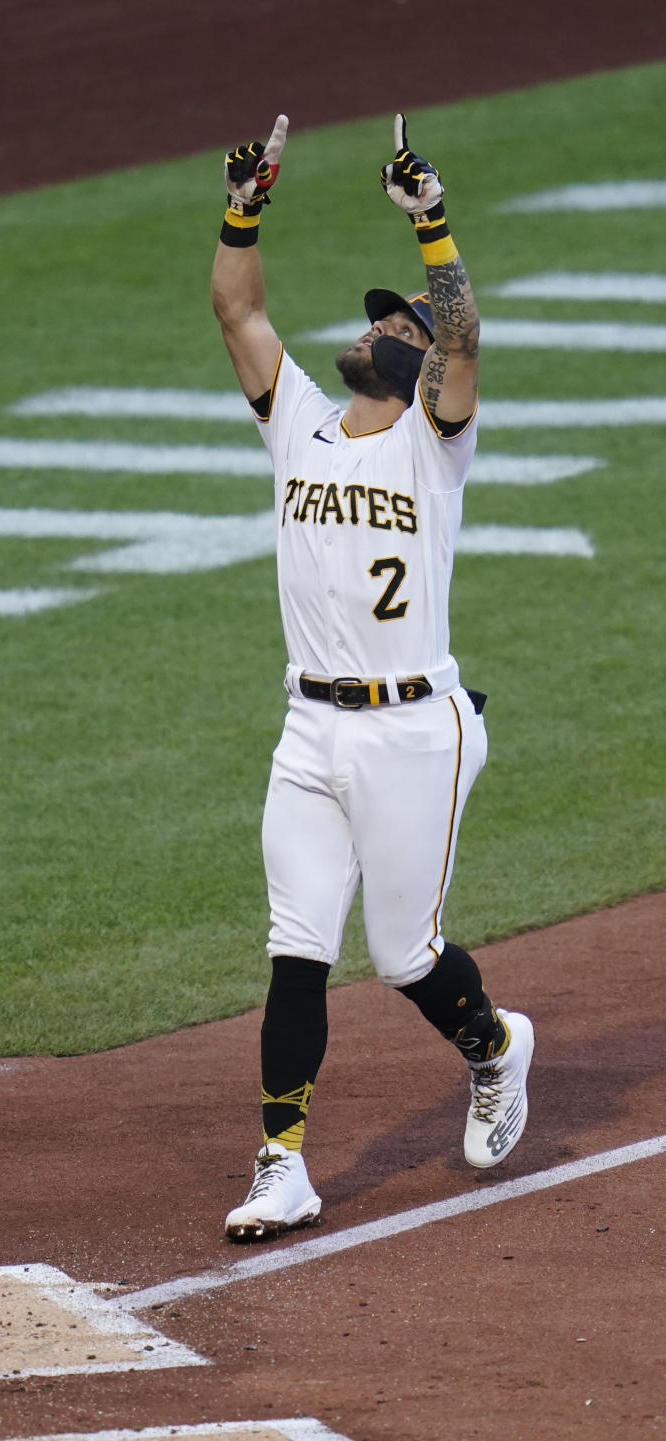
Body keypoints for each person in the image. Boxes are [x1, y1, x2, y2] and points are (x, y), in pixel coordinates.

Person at [211, 113, 534, 1241]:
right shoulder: (299, 426)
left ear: (412, 359)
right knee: (296, 946)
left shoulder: (432, 446)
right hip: (308, 732)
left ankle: (496, 1049)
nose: (374, 332)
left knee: (402, 955)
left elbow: (468, 337)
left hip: (414, 733)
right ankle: (281, 1161)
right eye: (380, 321)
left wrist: (431, 226)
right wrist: (246, 201)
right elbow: (238, 309)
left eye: (393, 324)